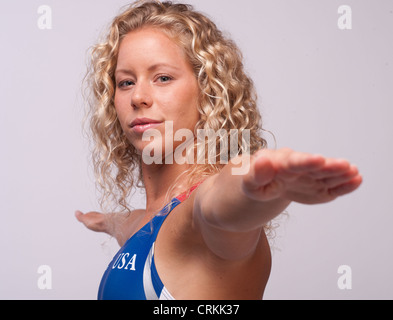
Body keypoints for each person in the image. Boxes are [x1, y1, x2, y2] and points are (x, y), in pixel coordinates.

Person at [75, 0, 362, 300]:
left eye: (163, 78)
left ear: (207, 90)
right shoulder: (154, 219)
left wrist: (258, 185)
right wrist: (108, 222)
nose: (138, 96)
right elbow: (141, 223)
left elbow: (218, 205)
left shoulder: (202, 220)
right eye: (126, 82)